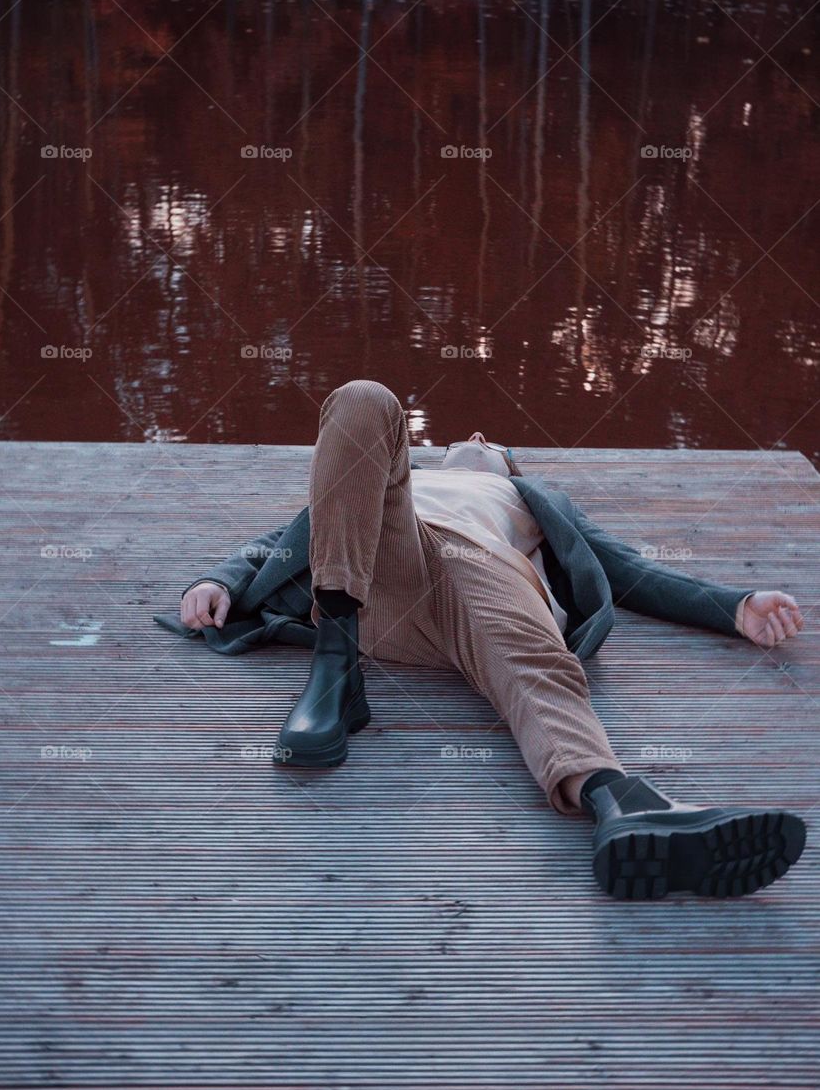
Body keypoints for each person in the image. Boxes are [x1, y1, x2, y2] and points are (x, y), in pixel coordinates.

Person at [171, 380, 807, 900]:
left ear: (506, 462)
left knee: (535, 667)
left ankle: (620, 803)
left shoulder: (529, 497)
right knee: (363, 397)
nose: (475, 438)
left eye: (491, 441)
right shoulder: (399, 480)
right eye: (464, 438)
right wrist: (218, 577)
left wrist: (735, 607)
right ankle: (336, 669)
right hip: (391, 577)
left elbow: (632, 571)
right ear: (441, 455)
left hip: (491, 578)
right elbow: (291, 536)